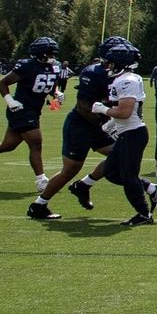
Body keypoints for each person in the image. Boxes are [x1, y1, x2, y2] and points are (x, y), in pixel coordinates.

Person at [66, 37, 157, 225]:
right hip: (127, 132)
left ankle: (144, 214)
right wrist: (109, 125)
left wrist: (102, 109)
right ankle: (151, 191)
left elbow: (124, 112)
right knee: (110, 172)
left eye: (111, 62)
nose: (108, 66)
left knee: (128, 176)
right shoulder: (125, 78)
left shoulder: (127, 80)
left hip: (133, 133)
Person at [28, 47, 121, 221]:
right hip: (81, 125)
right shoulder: (95, 73)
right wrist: (107, 123)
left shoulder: (119, 75)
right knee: (70, 170)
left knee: (120, 153)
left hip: (98, 124)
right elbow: (83, 107)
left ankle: (84, 185)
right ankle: (38, 205)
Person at [0, 35, 60, 191]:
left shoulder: (55, 66)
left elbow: (48, 84)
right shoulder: (27, 66)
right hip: (20, 109)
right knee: (36, 142)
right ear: (41, 53)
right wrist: (10, 101)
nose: (53, 57)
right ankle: (41, 180)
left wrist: (56, 94)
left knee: (8, 145)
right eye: (50, 53)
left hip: (34, 110)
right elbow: (2, 83)